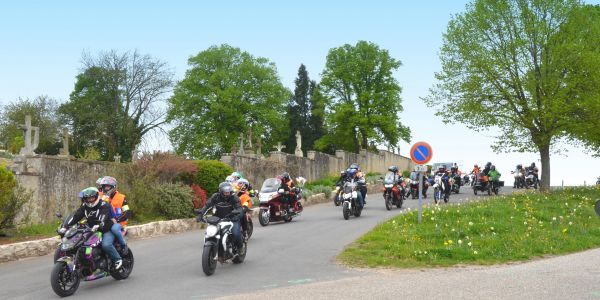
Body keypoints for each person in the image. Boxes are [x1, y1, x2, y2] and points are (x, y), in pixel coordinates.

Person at [65, 187, 124, 269]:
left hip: (106, 229)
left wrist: (100, 223)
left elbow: (103, 216)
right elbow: (76, 216)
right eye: (87, 198)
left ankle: (118, 259)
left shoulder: (104, 205)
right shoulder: (85, 206)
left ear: (96, 197)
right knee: (80, 244)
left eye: (92, 198)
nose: (89, 200)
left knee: (106, 245)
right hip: (92, 230)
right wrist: (66, 226)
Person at [197, 182, 243, 252]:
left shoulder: (234, 198)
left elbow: (239, 209)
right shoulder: (215, 197)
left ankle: (240, 248)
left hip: (231, 219)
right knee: (210, 233)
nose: (227, 193)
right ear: (221, 191)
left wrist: (236, 216)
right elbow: (207, 206)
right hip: (217, 219)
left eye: (229, 191)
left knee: (236, 233)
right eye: (225, 192)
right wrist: (201, 215)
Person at [98, 176, 129, 255]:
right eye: (104, 186)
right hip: (104, 221)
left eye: (108, 186)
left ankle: (123, 245)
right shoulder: (100, 196)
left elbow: (127, 212)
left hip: (118, 222)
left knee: (114, 229)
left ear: (113, 187)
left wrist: (117, 220)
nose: (105, 188)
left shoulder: (122, 197)